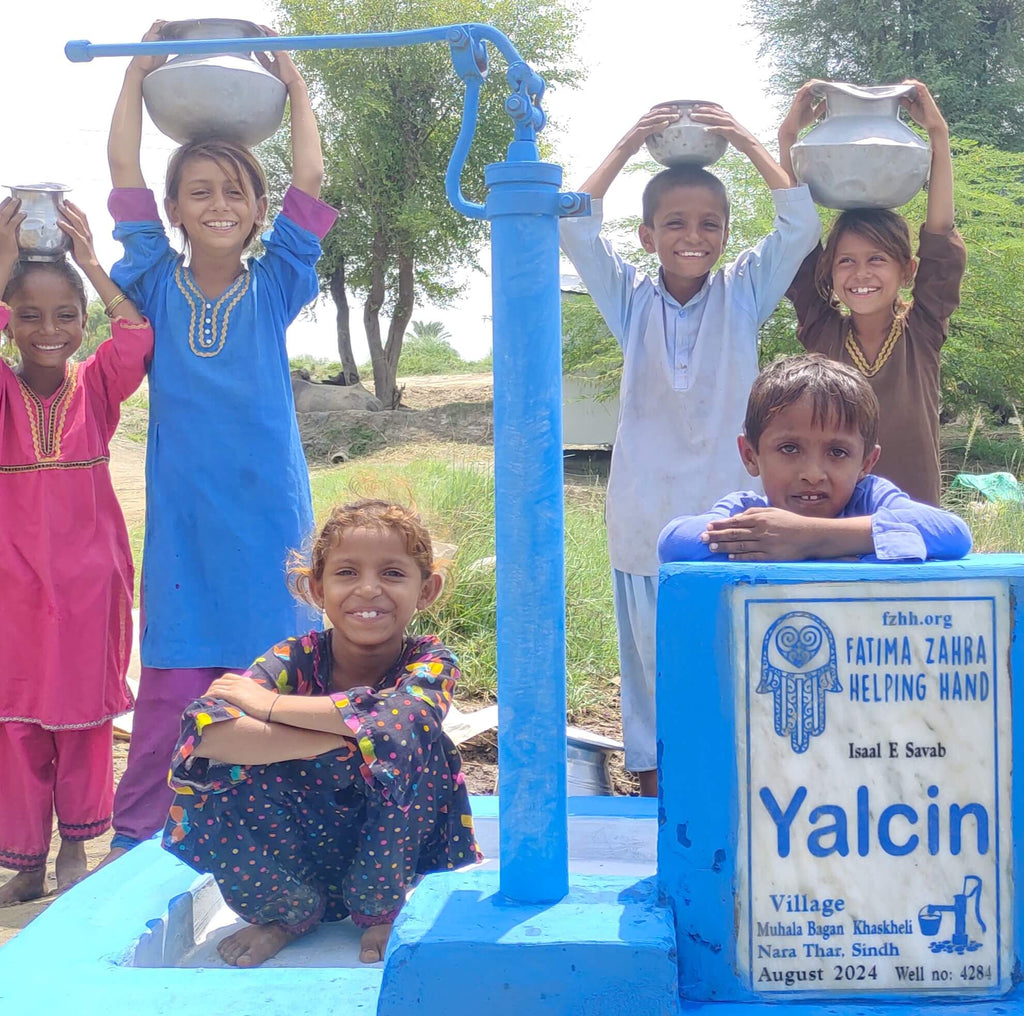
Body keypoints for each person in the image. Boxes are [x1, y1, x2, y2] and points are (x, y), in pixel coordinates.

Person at [100, 22, 339, 865]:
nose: (218, 206)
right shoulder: (151, 279)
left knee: (274, 675)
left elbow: (310, 180)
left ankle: (287, 824)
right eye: (198, 192)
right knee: (175, 678)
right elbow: (124, 171)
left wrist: (297, 85)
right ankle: (139, 836)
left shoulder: (275, 284)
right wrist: (136, 73)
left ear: (259, 211)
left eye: (235, 192)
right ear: (173, 213)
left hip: (269, 512)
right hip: (185, 517)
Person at [559, 104, 821, 794]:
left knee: (726, 652)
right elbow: (576, 223)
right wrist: (629, 139)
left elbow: (801, 224)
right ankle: (654, 789)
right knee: (648, 661)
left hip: (728, 518)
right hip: (644, 518)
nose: (692, 236)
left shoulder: (743, 294)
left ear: (728, 235)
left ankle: (732, 780)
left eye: (709, 224)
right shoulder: (630, 301)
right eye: (674, 222)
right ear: (647, 235)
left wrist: (743, 140)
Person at [161, 499, 480, 967]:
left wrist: (271, 708)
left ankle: (379, 911)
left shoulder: (430, 661)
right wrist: (342, 738)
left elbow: (404, 721)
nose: (368, 590)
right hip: (299, 833)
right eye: (347, 573)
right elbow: (208, 732)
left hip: (384, 842)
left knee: (418, 750)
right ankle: (285, 912)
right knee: (213, 777)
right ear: (316, 588)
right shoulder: (295, 658)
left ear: (426, 590)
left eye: (392, 574)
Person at [0, 197, 152, 904]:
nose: (48, 330)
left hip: (92, 582)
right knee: (17, 724)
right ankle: (25, 861)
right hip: (12, 586)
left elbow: (136, 337)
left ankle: (76, 849)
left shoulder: (96, 385)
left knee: (87, 721)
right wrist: (4, 266)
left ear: (82, 321)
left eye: (65, 315)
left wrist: (89, 259)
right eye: (28, 315)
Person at [779, 79, 964, 507]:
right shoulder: (823, 334)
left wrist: (938, 135)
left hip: (914, 523)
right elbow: (798, 240)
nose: (860, 273)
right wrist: (788, 138)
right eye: (846, 260)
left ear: (908, 271)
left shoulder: (922, 331)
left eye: (877, 260)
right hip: (833, 521)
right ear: (829, 270)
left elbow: (940, 235)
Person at [658, 354, 972, 563]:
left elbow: (953, 535)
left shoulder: (871, 498)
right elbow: (674, 543)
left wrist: (808, 538)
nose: (812, 473)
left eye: (837, 452)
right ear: (750, 455)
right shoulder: (749, 514)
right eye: (790, 449)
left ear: (866, 463)